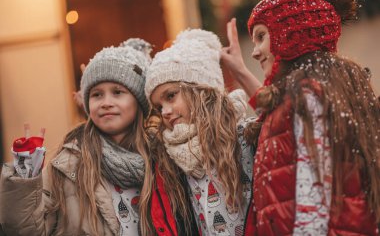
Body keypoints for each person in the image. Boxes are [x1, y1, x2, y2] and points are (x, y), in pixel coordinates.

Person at [221, 0, 380, 235]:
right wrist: (239, 71)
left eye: (262, 36)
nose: (255, 51)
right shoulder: (318, 90)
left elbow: (313, 200)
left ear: (289, 33)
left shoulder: (308, 97)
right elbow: (274, 109)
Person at [0, 38, 152, 236]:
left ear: (139, 101)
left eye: (117, 92)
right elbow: (25, 231)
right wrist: (24, 181)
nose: (106, 102)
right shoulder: (66, 166)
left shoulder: (161, 160)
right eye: (96, 95)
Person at [139, 29, 255, 236]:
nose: (165, 111)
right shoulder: (171, 155)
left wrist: (241, 72)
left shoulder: (245, 135)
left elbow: (284, 119)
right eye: (158, 107)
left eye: (171, 96)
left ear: (200, 89)